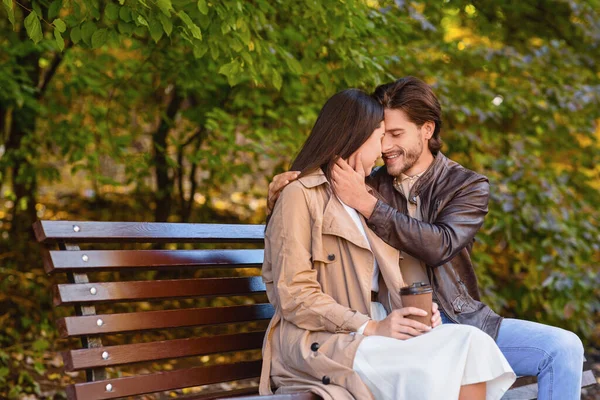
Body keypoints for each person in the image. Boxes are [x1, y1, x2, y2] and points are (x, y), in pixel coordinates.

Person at [268, 77, 585, 399]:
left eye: (395, 134)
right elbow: (313, 197)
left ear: (427, 130)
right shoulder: (366, 182)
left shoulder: (464, 186)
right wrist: (289, 184)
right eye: (381, 135)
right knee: (462, 360)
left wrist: (368, 205)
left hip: (455, 315)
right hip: (389, 317)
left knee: (562, 347)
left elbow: (441, 244)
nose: (386, 147)